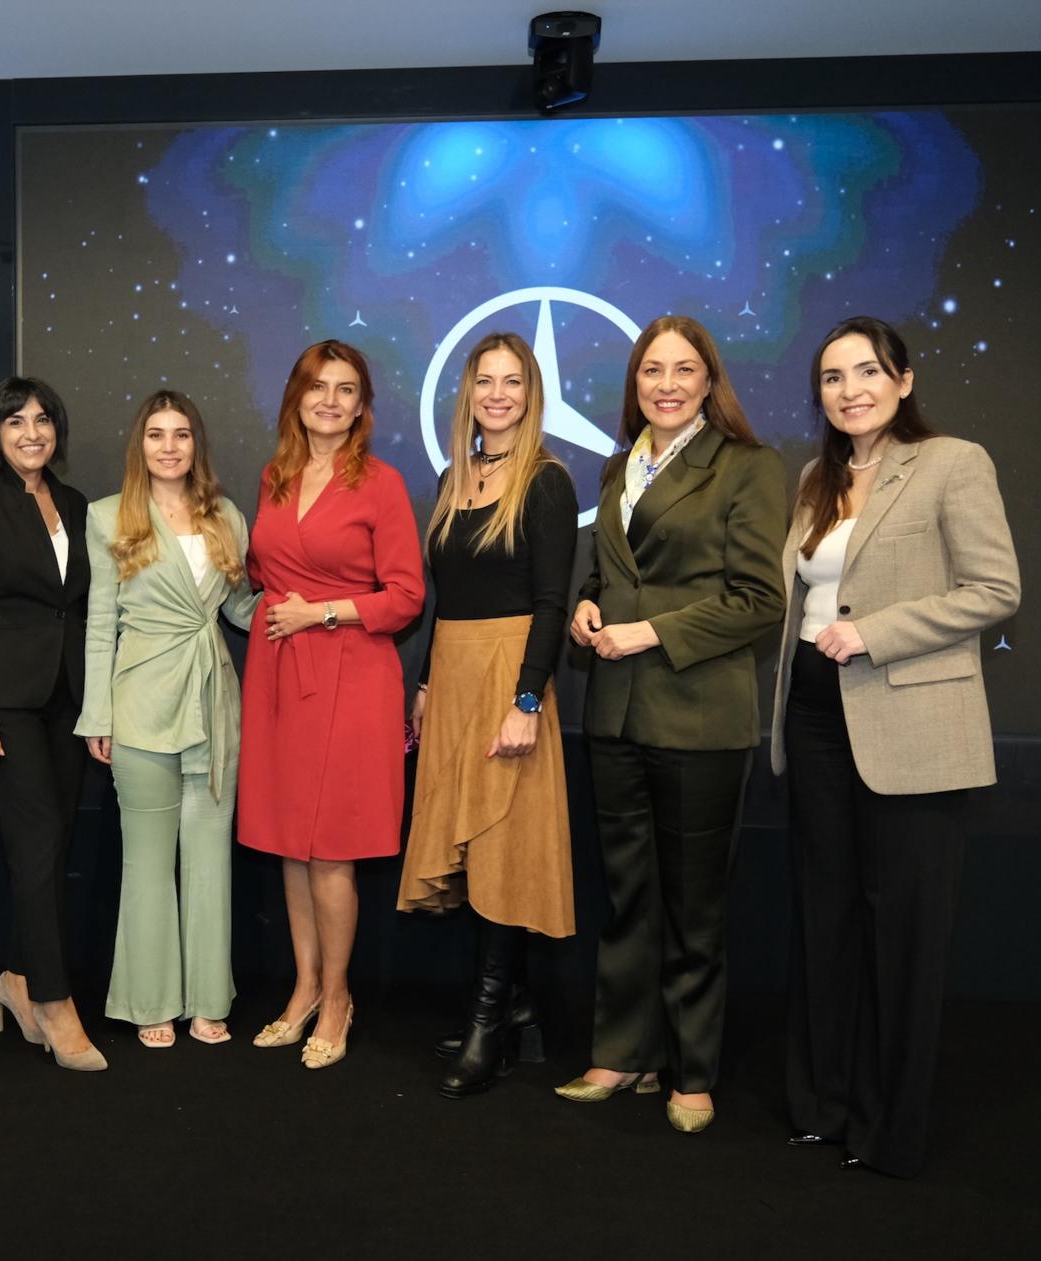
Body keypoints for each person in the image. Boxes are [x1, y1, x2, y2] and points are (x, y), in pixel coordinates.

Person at [772, 316, 1020, 1177]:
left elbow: (995, 588)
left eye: (868, 371)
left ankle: (887, 1128)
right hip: (813, 717)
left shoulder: (954, 462)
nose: (852, 390)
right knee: (826, 918)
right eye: (833, 377)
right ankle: (823, 1106)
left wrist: (875, 631)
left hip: (909, 720)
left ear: (904, 380)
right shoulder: (815, 477)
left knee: (904, 932)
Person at [556, 315, 787, 1133]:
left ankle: (691, 1071)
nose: (666, 383)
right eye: (652, 369)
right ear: (635, 382)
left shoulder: (749, 466)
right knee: (628, 897)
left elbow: (759, 601)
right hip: (615, 712)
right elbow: (609, 572)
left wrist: (649, 632)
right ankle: (624, 1052)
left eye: (684, 369)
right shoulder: (619, 465)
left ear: (709, 380)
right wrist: (587, 607)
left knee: (694, 903)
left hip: (699, 716)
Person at [397, 331, 579, 1098]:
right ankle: (515, 1010)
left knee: (504, 848)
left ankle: (487, 1019)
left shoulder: (547, 481)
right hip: (454, 678)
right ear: (467, 392)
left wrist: (527, 700)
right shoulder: (452, 477)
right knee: (474, 851)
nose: (497, 394)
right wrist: (427, 681)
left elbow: (551, 602)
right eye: (485, 380)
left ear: (531, 394)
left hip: (511, 680)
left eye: (512, 381)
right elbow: (446, 597)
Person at [238, 339, 425, 1070]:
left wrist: (322, 612)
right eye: (318, 386)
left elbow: (405, 596)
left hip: (351, 674)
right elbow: (260, 568)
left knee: (332, 847)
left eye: (346, 389)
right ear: (297, 396)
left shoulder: (381, 484)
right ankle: (305, 987)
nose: (330, 400)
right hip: (279, 672)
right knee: (292, 840)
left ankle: (339, 996)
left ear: (361, 406)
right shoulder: (274, 476)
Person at [75, 391, 258, 1049]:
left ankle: (207, 1000)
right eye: (157, 434)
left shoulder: (226, 516)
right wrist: (97, 715)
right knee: (148, 863)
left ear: (196, 444)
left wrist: (315, 605)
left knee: (210, 859)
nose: (170, 446)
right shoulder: (107, 516)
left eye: (181, 434)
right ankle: (151, 999)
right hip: (141, 704)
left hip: (213, 701)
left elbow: (240, 608)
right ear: (141, 444)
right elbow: (100, 624)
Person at [0, 376, 105, 1072]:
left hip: (68, 696)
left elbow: (81, 605)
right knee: (35, 843)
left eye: (41, 420)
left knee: (52, 844)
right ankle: (56, 1004)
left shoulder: (75, 502)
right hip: (4, 699)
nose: (31, 433)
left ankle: (15, 976)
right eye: (15, 422)